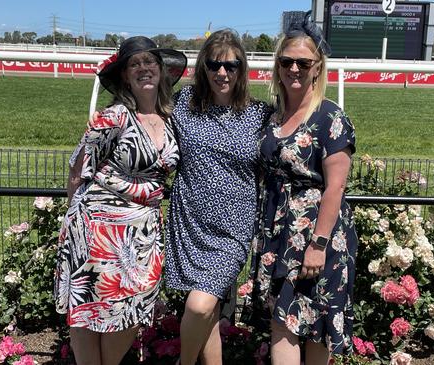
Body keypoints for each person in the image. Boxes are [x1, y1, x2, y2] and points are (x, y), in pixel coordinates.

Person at [54, 36, 187, 365]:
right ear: (125, 75)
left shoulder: (171, 118)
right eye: (134, 64)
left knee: (132, 310)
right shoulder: (113, 117)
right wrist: (75, 222)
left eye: (149, 62)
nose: (143, 68)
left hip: (142, 234)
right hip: (97, 228)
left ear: (161, 70)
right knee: (87, 307)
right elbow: (78, 168)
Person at [248, 11, 358, 364]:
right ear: (277, 66)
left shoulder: (330, 118)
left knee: (316, 328)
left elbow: (336, 187)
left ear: (317, 67)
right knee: (282, 321)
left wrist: (318, 245)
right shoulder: (273, 117)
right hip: (277, 236)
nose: (294, 69)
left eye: (303, 62)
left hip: (317, 236)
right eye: (286, 61)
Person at [164, 29, 273, 365]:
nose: (222, 73)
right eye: (213, 65)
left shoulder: (260, 115)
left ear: (242, 69)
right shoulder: (184, 102)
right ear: (203, 69)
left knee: (199, 304)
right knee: (206, 311)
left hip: (233, 229)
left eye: (231, 66)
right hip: (190, 221)